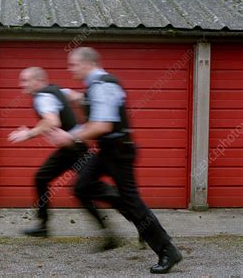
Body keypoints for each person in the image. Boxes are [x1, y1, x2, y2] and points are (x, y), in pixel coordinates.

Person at [46, 47, 182, 274]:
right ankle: (135, 215)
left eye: (73, 64)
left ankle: (168, 250)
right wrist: (72, 99)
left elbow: (103, 125)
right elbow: (94, 118)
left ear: (87, 63)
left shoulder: (104, 85)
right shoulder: (94, 87)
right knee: (82, 186)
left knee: (132, 201)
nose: (70, 69)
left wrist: (70, 136)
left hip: (119, 151)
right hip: (106, 150)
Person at [8, 67, 117, 248]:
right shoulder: (58, 90)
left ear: (38, 81)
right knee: (42, 178)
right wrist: (84, 122)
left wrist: (28, 134)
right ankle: (43, 226)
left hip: (76, 149)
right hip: (69, 149)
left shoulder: (42, 97)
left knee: (85, 190)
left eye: (25, 80)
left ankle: (129, 216)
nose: (21, 84)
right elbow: (79, 98)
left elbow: (52, 121)